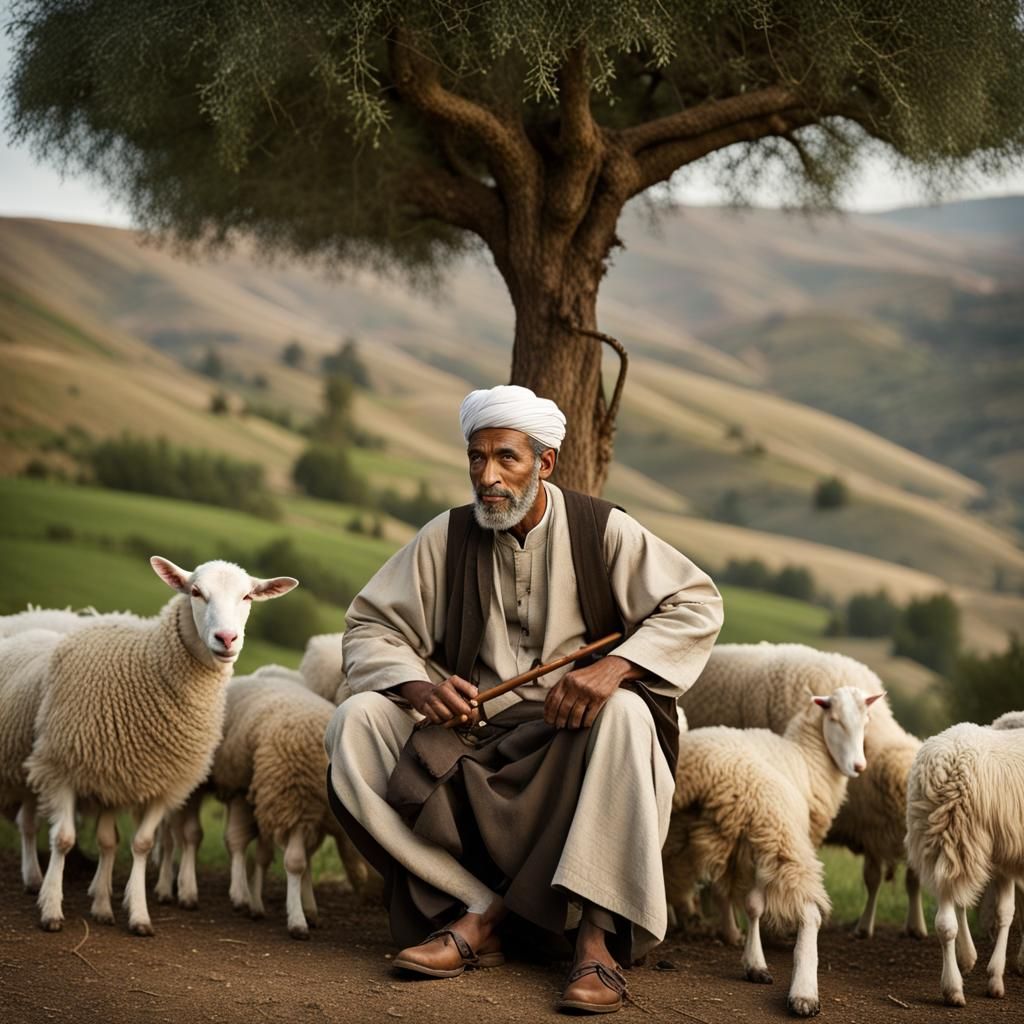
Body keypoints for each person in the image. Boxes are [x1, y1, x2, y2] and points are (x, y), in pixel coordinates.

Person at [325, 384, 723, 1013]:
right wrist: (420, 686)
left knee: (624, 710)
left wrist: (614, 668)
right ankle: (473, 906)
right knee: (354, 721)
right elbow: (369, 626)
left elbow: (697, 604)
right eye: (476, 459)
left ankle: (595, 940)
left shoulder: (602, 529)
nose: (489, 477)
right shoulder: (448, 536)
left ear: (545, 463)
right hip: (475, 737)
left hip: (575, 736)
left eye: (506, 458)